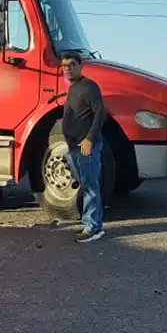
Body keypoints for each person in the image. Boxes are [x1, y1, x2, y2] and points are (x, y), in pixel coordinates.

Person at [60, 51, 108, 243]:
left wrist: (89, 138)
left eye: (72, 64)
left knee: (90, 186)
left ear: (80, 66)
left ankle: (93, 227)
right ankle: (90, 221)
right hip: (74, 146)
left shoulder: (89, 87)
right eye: (64, 66)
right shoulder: (73, 88)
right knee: (86, 184)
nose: (68, 69)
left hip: (86, 145)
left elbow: (100, 113)